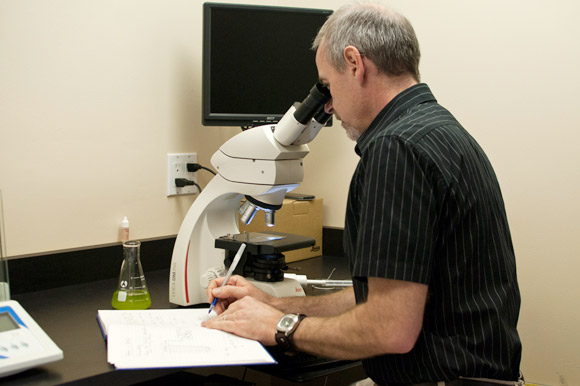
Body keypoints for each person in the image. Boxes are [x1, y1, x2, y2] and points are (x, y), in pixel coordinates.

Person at [202, 2, 523, 385]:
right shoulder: (437, 129)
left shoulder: (396, 149)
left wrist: (279, 326)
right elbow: (379, 297)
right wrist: (272, 303)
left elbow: (390, 329)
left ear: (354, 63)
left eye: (327, 85)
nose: (330, 104)